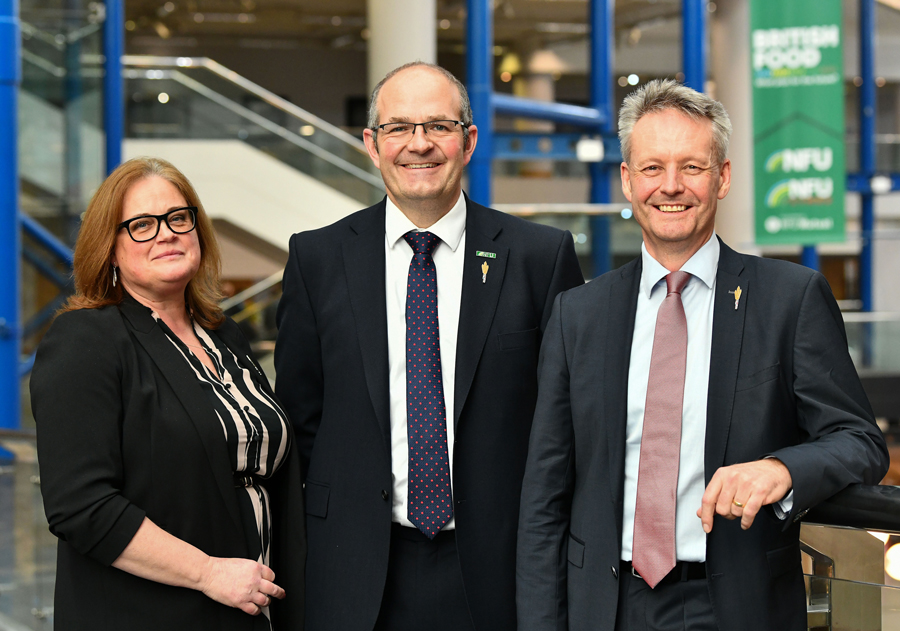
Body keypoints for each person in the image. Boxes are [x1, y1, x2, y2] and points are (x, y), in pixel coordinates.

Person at [516, 79, 889, 631]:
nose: (671, 186)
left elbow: (860, 441)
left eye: (691, 167)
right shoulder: (579, 313)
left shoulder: (789, 299)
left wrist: (782, 468)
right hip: (603, 607)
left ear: (723, 177)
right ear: (627, 180)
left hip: (733, 607)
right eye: (652, 168)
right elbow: (545, 496)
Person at [274, 62, 583, 631]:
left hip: (500, 571)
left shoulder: (539, 257)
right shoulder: (317, 260)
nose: (419, 144)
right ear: (372, 144)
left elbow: (566, 426)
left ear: (469, 140)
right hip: (355, 571)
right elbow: (300, 421)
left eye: (439, 126)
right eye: (398, 128)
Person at [31, 157, 306, 631]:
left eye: (178, 218)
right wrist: (208, 573)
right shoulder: (86, 340)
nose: (166, 234)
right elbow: (80, 506)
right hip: (147, 614)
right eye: (141, 225)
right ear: (109, 249)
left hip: (248, 609)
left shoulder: (224, 335)